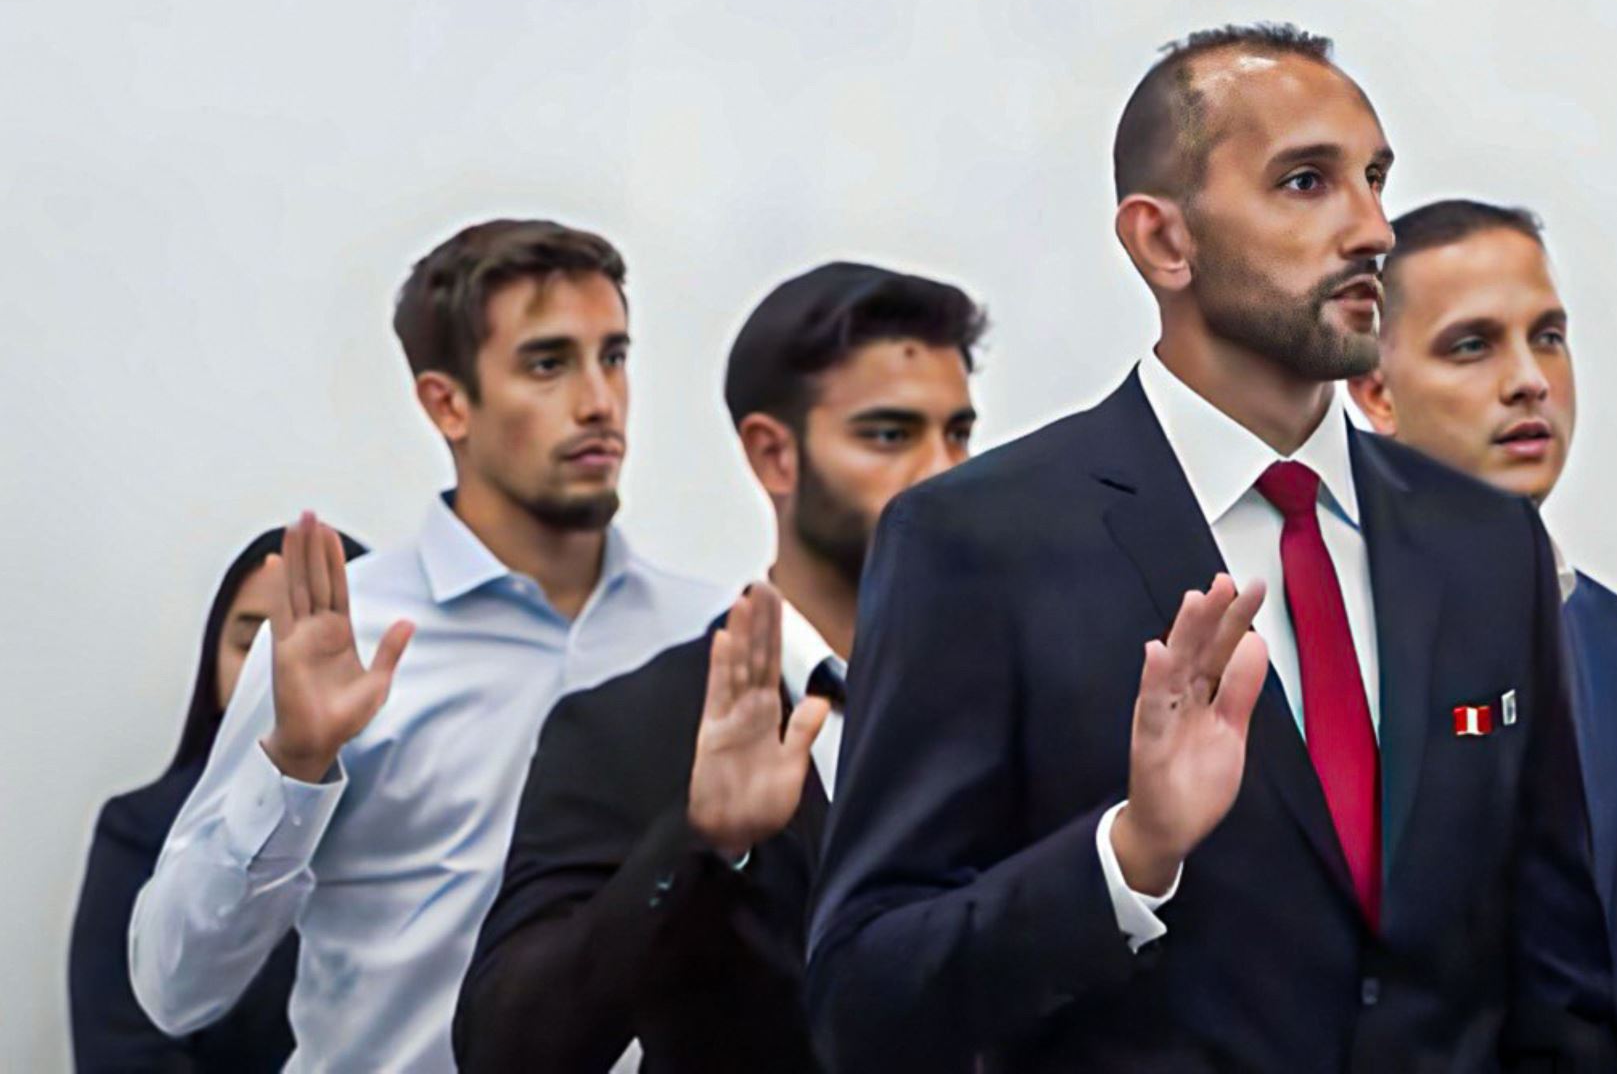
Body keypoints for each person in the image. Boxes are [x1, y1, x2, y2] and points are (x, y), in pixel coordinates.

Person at [805, 24, 1617, 1072]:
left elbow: (1560, 982)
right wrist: (1126, 858)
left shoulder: (1484, 542)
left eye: (1375, 179)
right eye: (1305, 183)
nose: (1373, 229)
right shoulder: (976, 542)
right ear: (1163, 243)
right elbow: (865, 999)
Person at [128, 220, 729, 1072]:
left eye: (615, 356)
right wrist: (294, 763)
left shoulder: (711, 637)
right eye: (548, 363)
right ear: (448, 403)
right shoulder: (342, 639)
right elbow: (173, 987)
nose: (599, 400)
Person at [453, 262, 987, 1072]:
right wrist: (704, 843)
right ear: (774, 455)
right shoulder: (629, 724)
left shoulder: (1018, 686)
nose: (944, 473)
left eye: (957, 433)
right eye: (889, 435)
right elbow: (510, 1049)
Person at [1345, 199, 1617, 1073]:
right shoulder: (1316, 647)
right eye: (1472, 345)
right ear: (1375, 389)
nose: (1529, 380)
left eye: (1549, 337)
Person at [71, 528, 364, 1071]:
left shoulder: (420, 824)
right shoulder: (140, 827)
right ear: (213, 657)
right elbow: (122, 1052)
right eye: (251, 644)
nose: (281, 670)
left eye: (319, 642)